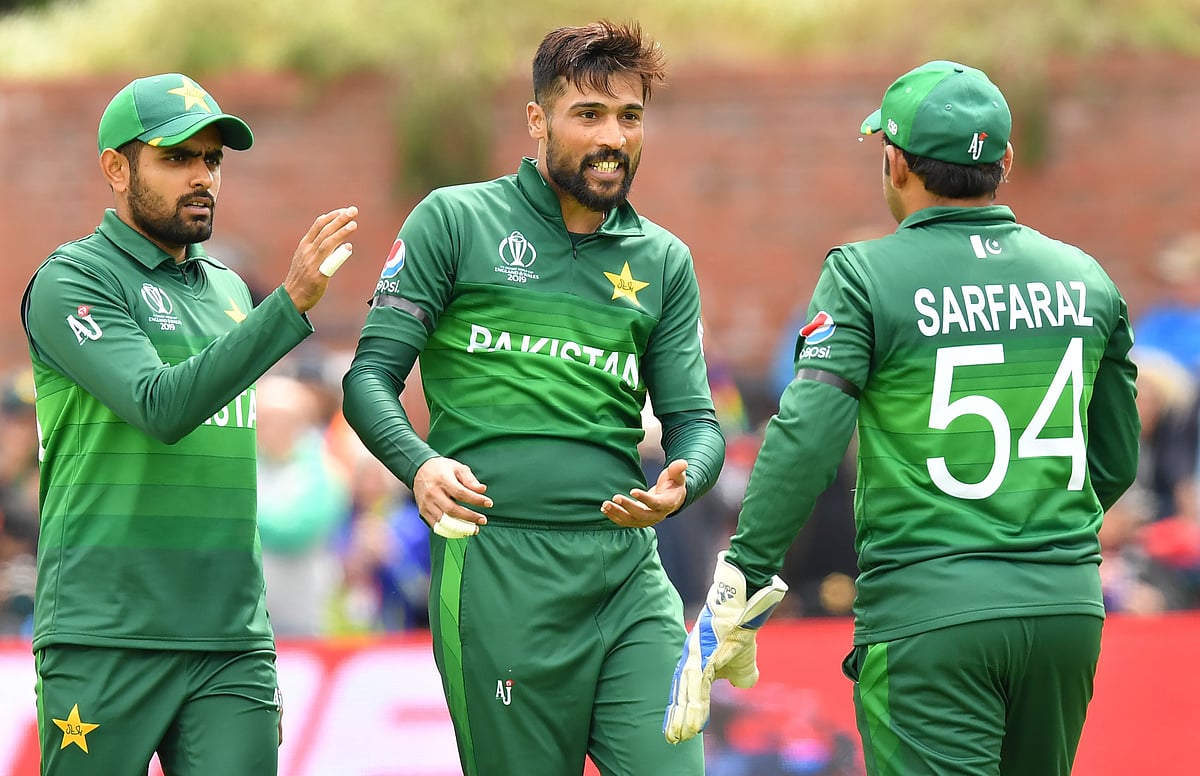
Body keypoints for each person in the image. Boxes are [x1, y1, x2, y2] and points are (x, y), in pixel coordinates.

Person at [664, 60, 1140, 776]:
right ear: (1005, 162)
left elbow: (807, 438)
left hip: (928, 612)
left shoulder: (863, 276)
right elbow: (1115, 459)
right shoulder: (1086, 278)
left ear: (893, 163)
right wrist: (1028, 532)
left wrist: (742, 576)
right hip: (1064, 608)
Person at [341, 20, 725, 775]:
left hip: (627, 575)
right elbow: (367, 380)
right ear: (536, 120)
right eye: (589, 115)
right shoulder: (456, 220)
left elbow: (695, 423)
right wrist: (418, 465)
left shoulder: (663, 260)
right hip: (495, 568)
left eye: (630, 116)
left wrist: (684, 480)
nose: (612, 136)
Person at [20, 72, 358, 775]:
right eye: (177, 159)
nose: (202, 176)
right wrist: (289, 306)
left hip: (230, 637)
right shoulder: (73, 280)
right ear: (116, 168)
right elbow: (159, 406)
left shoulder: (231, 290)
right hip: (105, 633)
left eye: (212, 159)